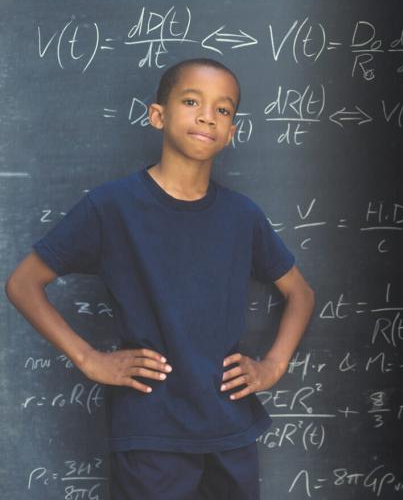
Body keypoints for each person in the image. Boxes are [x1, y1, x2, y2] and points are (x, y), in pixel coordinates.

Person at [4, 57, 315, 499]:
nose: (208, 115)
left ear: (232, 132)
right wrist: (89, 358)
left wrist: (273, 366)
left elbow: (300, 294)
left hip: (231, 428)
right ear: (158, 115)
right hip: (150, 432)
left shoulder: (243, 216)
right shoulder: (111, 207)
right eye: (192, 101)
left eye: (223, 110)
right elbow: (22, 283)